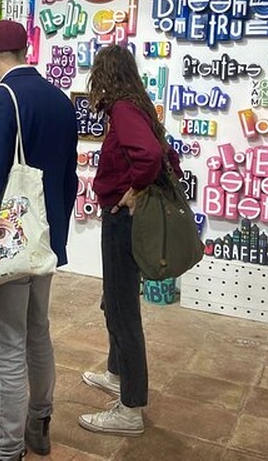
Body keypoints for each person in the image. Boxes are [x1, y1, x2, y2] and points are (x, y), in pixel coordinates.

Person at [0, 20, 78, 461]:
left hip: (8, 242)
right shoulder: (59, 98)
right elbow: (69, 179)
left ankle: (6, 449)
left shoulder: (3, 97)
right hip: (43, 240)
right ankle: (39, 423)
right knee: (37, 331)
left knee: (7, 345)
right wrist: (55, 240)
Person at [78, 44, 182, 437]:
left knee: (123, 310)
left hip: (123, 220)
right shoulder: (137, 106)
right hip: (123, 219)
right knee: (115, 299)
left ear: (104, 75)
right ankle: (116, 373)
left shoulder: (123, 109)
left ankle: (130, 408)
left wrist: (135, 189)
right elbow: (167, 155)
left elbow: (151, 156)